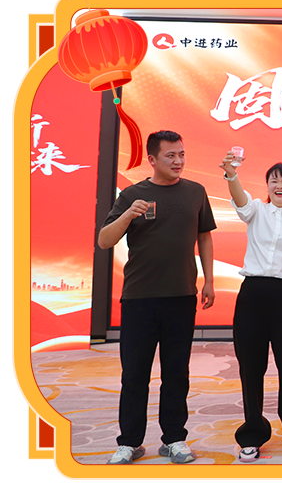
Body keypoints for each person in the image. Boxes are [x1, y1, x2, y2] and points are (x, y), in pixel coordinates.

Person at [97, 130, 216, 464]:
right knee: (135, 373)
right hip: (139, 298)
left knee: (176, 373)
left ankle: (174, 439)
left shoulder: (196, 191)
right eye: (170, 156)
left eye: (182, 154)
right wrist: (127, 214)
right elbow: (104, 240)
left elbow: (204, 237)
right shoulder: (133, 195)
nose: (178, 161)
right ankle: (129, 442)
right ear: (152, 159)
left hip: (181, 296)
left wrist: (208, 280)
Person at [219, 154, 282, 462]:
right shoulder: (256, 211)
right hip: (252, 294)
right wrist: (231, 175)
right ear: (267, 186)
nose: (280, 185)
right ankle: (252, 434)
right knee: (251, 367)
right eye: (274, 180)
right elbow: (240, 200)